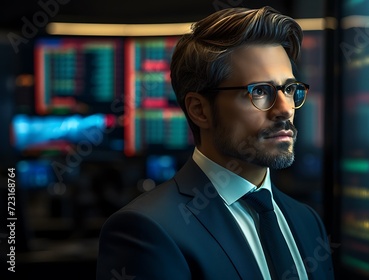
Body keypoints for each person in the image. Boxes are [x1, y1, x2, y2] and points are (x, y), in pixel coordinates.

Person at [96, 6, 334, 280]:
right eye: (259, 91)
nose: (284, 109)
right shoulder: (147, 229)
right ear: (200, 110)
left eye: (290, 89)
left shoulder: (308, 221)